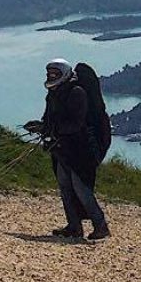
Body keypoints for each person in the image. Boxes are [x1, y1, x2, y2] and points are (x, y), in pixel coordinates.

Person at [37, 58, 109, 241]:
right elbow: (50, 118)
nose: (51, 77)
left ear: (64, 74)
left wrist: (52, 130)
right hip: (63, 148)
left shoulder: (77, 93)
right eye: (49, 74)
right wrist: (41, 127)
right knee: (65, 186)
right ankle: (74, 226)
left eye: (55, 74)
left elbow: (76, 124)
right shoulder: (54, 93)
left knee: (81, 188)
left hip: (81, 150)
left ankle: (101, 226)